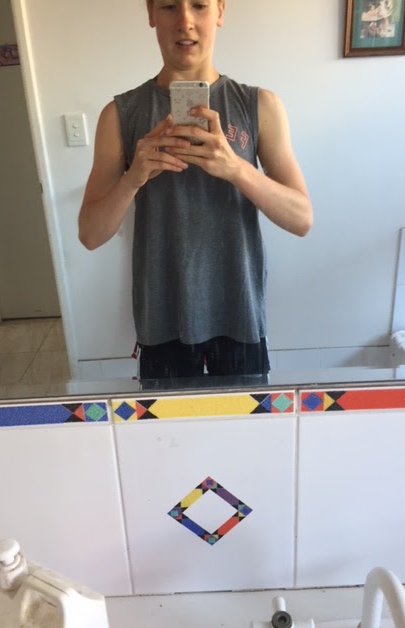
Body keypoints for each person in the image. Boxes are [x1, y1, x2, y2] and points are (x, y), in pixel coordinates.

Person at [78, 0, 313, 380]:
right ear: (151, 14)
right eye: (170, 6)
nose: (185, 20)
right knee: (164, 423)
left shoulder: (259, 105)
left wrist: (236, 168)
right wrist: (133, 177)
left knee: (246, 421)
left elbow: (302, 219)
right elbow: (90, 235)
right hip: (162, 322)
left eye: (199, 5)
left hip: (239, 317)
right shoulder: (119, 114)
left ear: (220, 11)